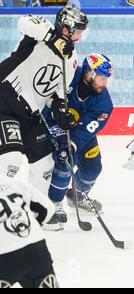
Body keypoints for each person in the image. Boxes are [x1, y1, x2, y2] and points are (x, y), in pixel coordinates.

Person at [0, 6, 88, 197]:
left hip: (31, 113)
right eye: (78, 31)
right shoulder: (40, 32)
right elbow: (23, 22)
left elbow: (58, 90)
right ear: (66, 29)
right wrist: (52, 38)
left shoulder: (71, 58)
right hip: (5, 103)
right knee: (10, 161)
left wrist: (59, 110)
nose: (80, 37)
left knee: (45, 167)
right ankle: (4, 214)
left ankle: (36, 213)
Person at [43, 53, 113, 230]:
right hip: (54, 122)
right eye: (101, 78)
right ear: (89, 74)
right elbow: (46, 96)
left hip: (81, 131)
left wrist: (73, 142)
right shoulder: (69, 74)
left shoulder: (104, 102)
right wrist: (54, 114)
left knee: (93, 167)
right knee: (64, 158)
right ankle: (54, 202)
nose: (104, 83)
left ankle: (77, 196)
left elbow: (88, 128)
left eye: (106, 79)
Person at [0, 175, 58, 288]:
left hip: (4, 257)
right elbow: (48, 207)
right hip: (37, 251)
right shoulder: (13, 182)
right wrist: (31, 231)